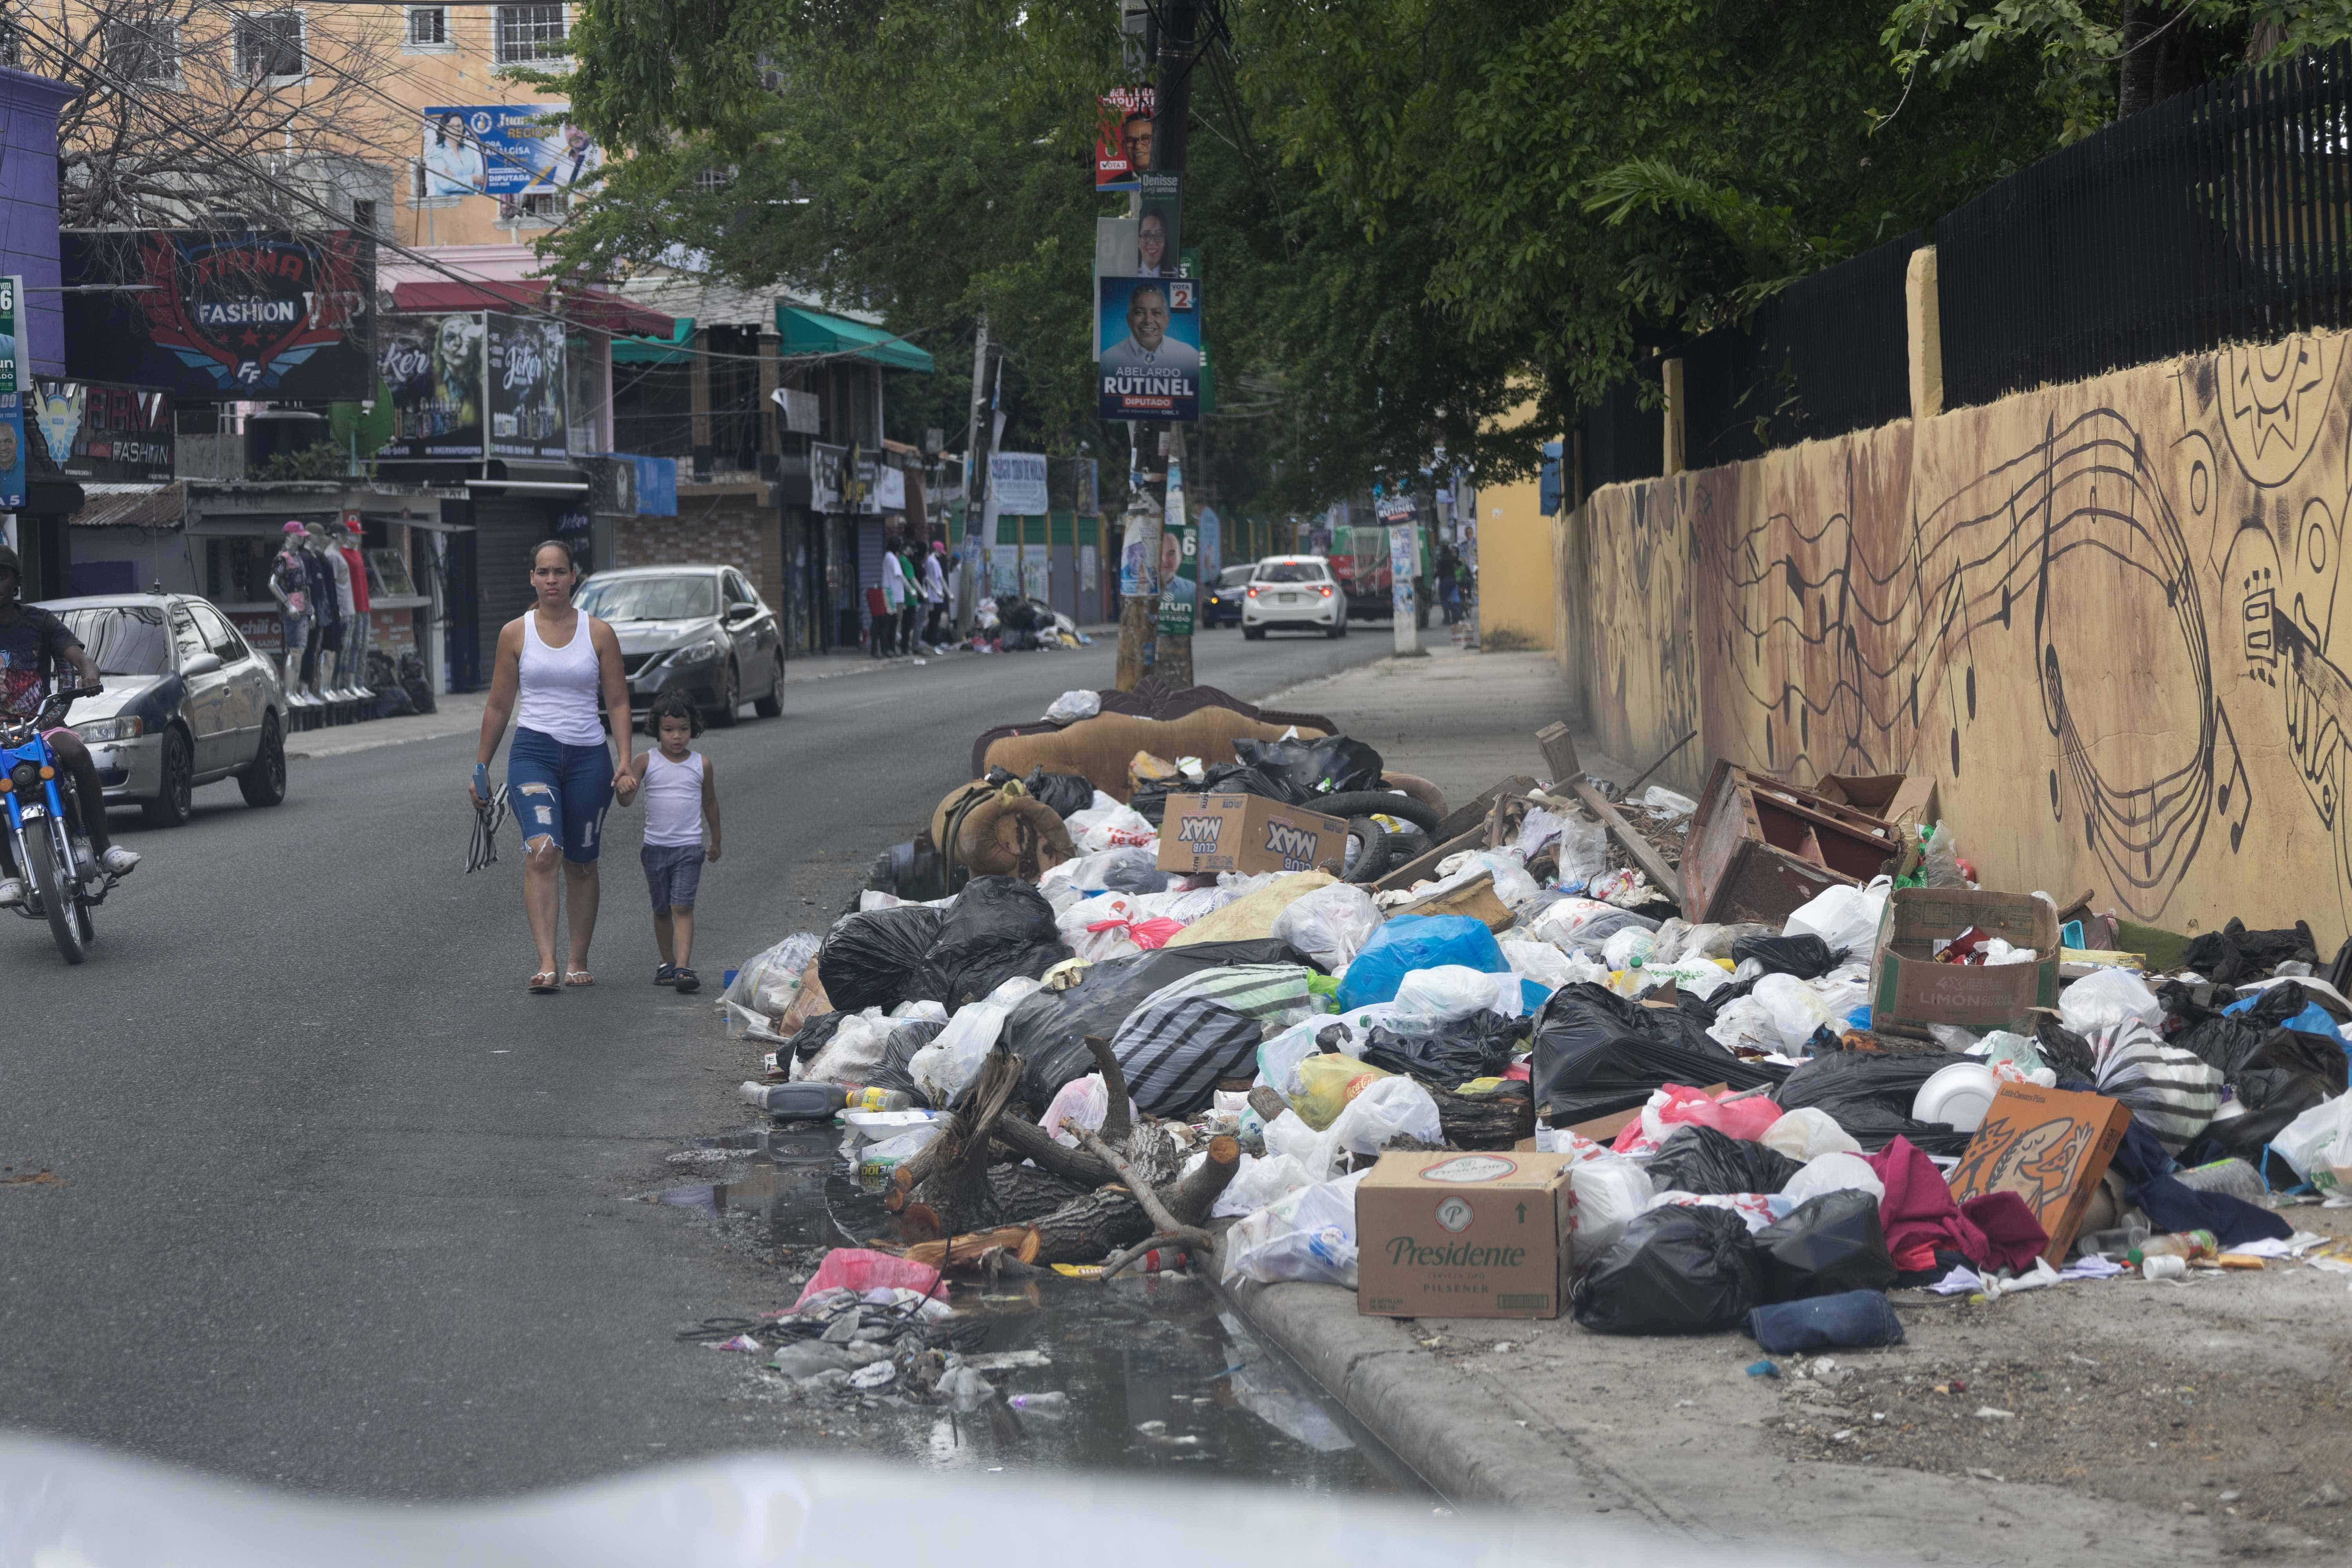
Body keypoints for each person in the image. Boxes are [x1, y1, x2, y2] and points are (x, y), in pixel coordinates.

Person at [468, 540, 636, 994]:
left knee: (581, 863)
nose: (551, 580)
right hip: (534, 752)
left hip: (588, 757)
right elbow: (500, 705)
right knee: (543, 850)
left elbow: (618, 702)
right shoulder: (514, 634)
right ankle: (546, 962)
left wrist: (623, 761)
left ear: (573, 577)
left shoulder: (599, 633)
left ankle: (577, 959)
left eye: (559, 571)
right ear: (532, 578)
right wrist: (482, 765)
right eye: (542, 572)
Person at [0, 543, 140, 909]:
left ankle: (105, 847)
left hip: (41, 724)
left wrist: (89, 676)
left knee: (77, 753)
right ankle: (11, 874)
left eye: (2, 576)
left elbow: (79, 657)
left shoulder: (39, 621)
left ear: (16, 582)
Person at [617, 692, 720, 993]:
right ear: (656, 729)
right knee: (662, 909)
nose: (676, 737)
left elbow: (711, 803)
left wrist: (716, 840)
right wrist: (624, 787)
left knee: (682, 906)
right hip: (654, 849)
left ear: (694, 729)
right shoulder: (645, 761)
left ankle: (683, 967)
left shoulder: (702, 764)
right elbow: (626, 800)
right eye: (669, 730)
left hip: (689, 848)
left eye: (684, 730)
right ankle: (668, 962)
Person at [1100, 285, 1200, 376]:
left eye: (1156, 313)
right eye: (1140, 313)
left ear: (1167, 320)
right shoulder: (1109, 360)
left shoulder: (1189, 356)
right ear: (1129, 320)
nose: (1148, 321)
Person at [267, 521, 311, 696]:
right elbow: (272, 584)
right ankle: (289, 693)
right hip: (292, 610)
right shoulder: (282, 557)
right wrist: (288, 604)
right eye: (298, 535)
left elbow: (304, 585)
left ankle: (293, 692)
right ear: (290, 535)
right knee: (294, 650)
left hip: (303, 609)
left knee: (300, 650)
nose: (301, 538)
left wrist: (310, 608)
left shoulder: (298, 556)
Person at [425, 111, 488, 198]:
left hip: (470, 203)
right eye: (452, 126)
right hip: (447, 205)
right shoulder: (438, 152)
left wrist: (455, 178)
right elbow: (445, 184)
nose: (457, 130)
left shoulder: (469, 151)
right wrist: (471, 180)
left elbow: (480, 181)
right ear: (443, 130)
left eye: (459, 126)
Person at [922, 543, 949, 646]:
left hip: (936, 595)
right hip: (935, 596)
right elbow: (939, 579)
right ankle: (932, 640)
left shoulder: (931, 561)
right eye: (941, 552)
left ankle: (932, 639)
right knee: (934, 619)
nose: (942, 555)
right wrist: (946, 592)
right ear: (937, 551)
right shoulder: (933, 562)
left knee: (934, 619)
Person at [1134, 211, 1174, 277]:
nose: (1152, 242)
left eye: (1159, 235)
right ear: (1138, 241)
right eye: (1146, 235)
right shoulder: (1128, 273)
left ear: (1165, 241)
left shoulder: (1177, 275)